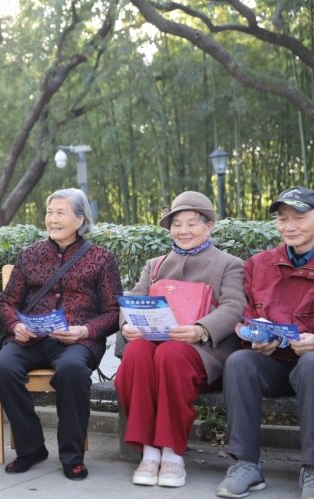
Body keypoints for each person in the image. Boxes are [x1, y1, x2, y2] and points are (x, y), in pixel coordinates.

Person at [0, 188, 122, 480]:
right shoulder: (30, 255)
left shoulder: (101, 258)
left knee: (72, 370)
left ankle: (72, 456)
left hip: (77, 341)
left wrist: (85, 330)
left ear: (80, 219)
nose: (53, 219)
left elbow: (114, 311)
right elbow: (6, 303)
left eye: (61, 212)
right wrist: (15, 326)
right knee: (1, 369)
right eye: (50, 212)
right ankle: (31, 448)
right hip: (31, 339)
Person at [115, 191, 245, 488]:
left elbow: (235, 307)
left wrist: (201, 329)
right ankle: (149, 451)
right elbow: (131, 300)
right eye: (176, 224)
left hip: (201, 355)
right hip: (155, 349)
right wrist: (127, 325)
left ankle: (172, 453)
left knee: (170, 354)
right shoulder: (155, 265)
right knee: (135, 353)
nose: (183, 230)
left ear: (208, 226)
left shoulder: (229, 264)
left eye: (191, 223)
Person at [216, 187, 314, 499]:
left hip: (310, 366)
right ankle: (245, 464)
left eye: (299, 218)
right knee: (240, 362)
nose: (289, 226)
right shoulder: (259, 264)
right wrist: (256, 338)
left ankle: (312, 468)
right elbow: (248, 317)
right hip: (276, 364)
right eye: (283, 219)